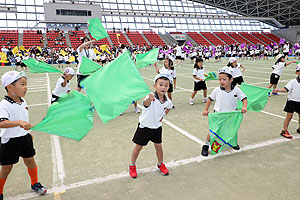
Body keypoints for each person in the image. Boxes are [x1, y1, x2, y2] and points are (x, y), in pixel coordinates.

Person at [0, 71, 47, 200]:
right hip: (10, 140)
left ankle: (35, 183)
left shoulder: (23, 101)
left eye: (26, 84)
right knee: (6, 168)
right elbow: (2, 123)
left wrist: (29, 133)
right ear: (10, 87)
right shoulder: (4, 105)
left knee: (30, 161)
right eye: (22, 84)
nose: (26, 87)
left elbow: (24, 118)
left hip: (24, 138)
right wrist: (20, 123)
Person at [129, 74, 173, 178]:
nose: (163, 87)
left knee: (159, 147)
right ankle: (132, 166)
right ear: (155, 85)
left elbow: (169, 107)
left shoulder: (168, 101)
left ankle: (160, 164)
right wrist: (149, 98)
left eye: (166, 85)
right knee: (138, 147)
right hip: (145, 127)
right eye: (160, 84)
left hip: (157, 127)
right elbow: (145, 103)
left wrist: (164, 115)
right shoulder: (150, 97)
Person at [201, 67, 247, 156]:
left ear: (231, 79)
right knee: (213, 131)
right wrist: (206, 109)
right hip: (218, 114)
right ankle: (206, 145)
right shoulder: (217, 90)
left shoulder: (236, 90)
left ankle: (233, 143)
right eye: (220, 79)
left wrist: (244, 106)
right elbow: (210, 99)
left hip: (231, 115)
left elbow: (244, 98)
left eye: (224, 79)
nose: (221, 81)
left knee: (232, 129)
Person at [273, 64, 300, 139]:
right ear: (297, 72)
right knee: (289, 116)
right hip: (292, 101)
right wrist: (277, 90)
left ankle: (299, 128)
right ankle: (284, 131)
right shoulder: (293, 82)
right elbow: (285, 89)